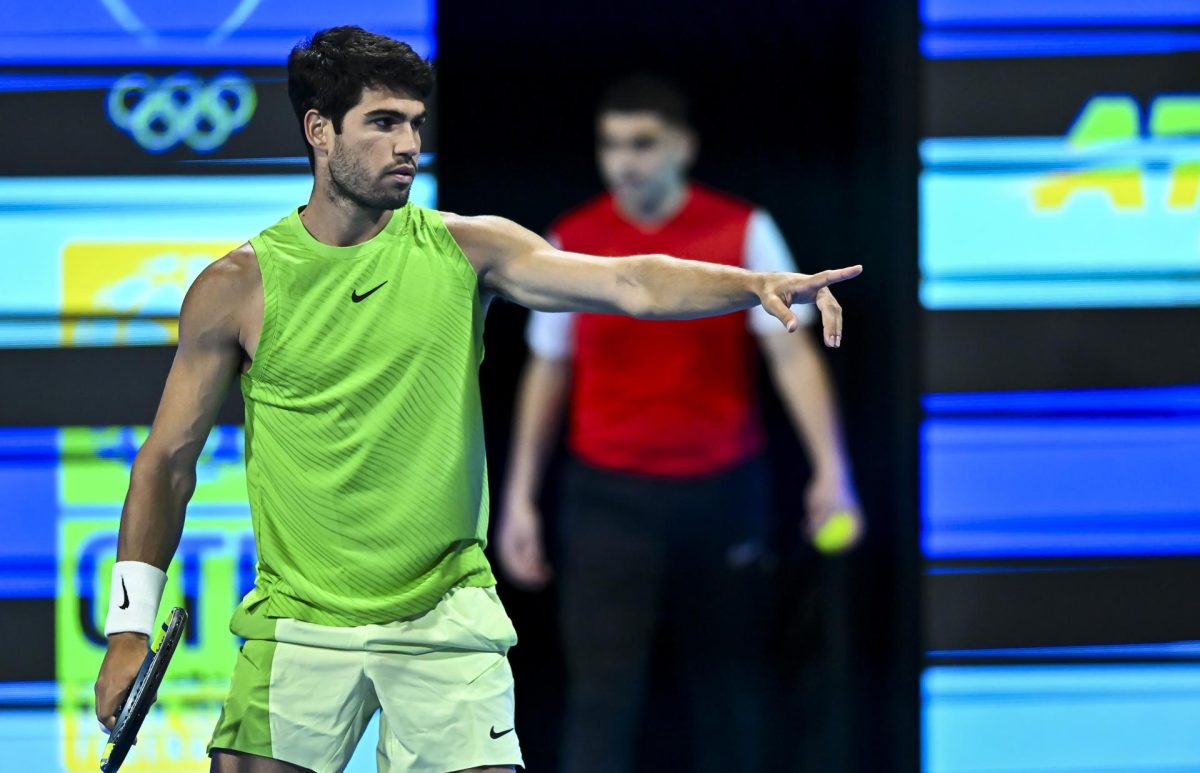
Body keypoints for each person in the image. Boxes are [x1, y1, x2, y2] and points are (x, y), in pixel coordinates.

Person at [92, 29, 860, 773]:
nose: (407, 145)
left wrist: (750, 284)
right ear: (319, 131)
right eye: (383, 123)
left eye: (415, 124)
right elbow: (166, 461)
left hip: (445, 618)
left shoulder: (468, 249)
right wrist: (128, 628)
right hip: (297, 626)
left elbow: (631, 282)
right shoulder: (236, 288)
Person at [496, 75, 864, 773]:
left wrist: (833, 470)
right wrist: (517, 497)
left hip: (721, 493)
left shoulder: (745, 229)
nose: (625, 160)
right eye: (611, 145)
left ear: (683, 147)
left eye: (643, 143)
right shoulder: (571, 240)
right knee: (602, 698)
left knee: (733, 697)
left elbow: (791, 358)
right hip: (606, 500)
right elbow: (549, 370)